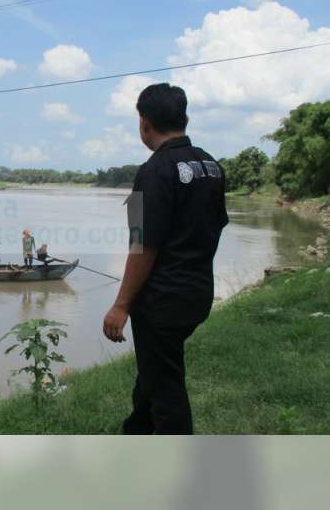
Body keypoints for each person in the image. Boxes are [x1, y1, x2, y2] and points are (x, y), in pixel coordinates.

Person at [102, 83, 228, 435]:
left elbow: (142, 245)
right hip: (198, 294)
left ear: (144, 124)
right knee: (156, 370)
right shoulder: (212, 166)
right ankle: (135, 431)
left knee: (167, 391)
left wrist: (121, 306)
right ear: (184, 117)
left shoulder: (152, 172)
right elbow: (215, 228)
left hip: (161, 303)